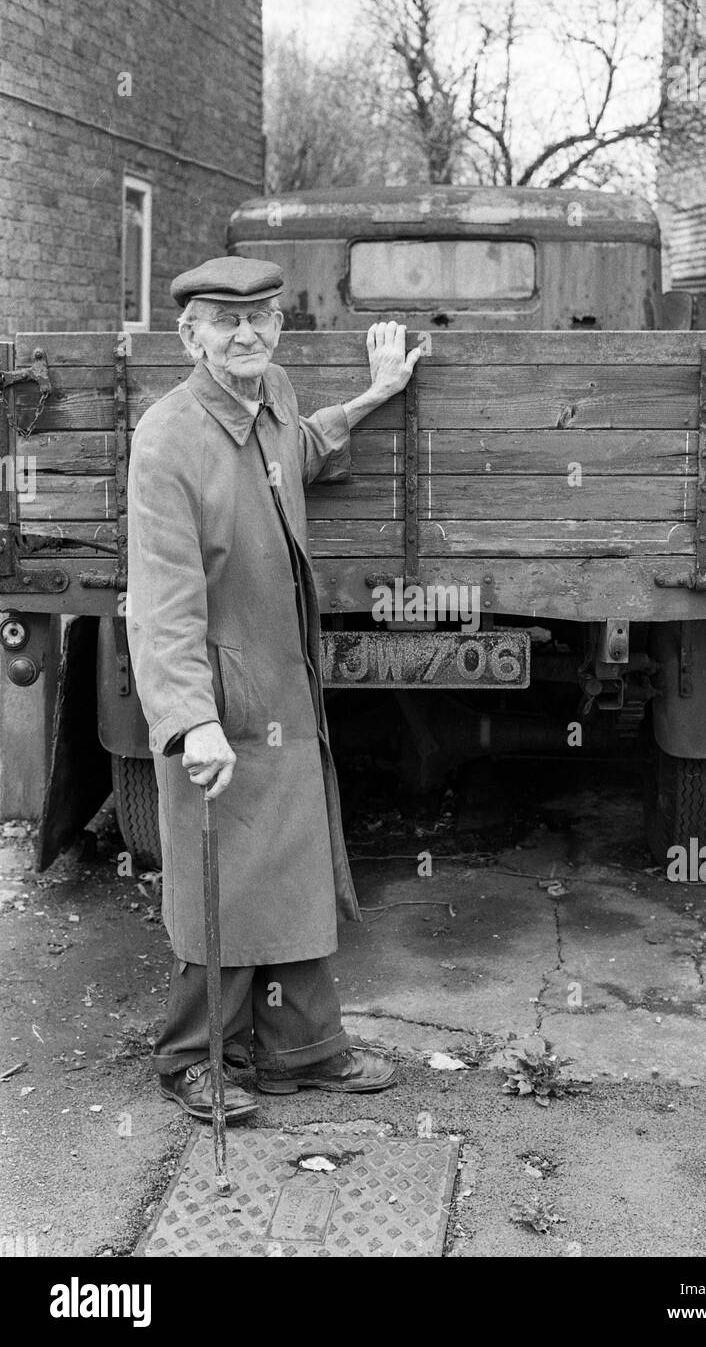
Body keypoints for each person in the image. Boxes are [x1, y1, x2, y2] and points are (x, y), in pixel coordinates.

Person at [126, 256, 421, 1122]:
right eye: (225, 321)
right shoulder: (167, 440)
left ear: (279, 328)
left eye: (260, 317)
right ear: (191, 336)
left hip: (286, 678)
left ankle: (298, 1051)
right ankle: (193, 1057)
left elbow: (298, 449)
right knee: (219, 876)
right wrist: (190, 723)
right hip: (221, 695)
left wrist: (374, 392)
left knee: (288, 860)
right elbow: (162, 605)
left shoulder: (275, 393)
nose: (245, 333)